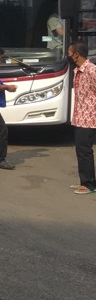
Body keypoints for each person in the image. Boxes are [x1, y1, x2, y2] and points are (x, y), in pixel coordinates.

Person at [68, 42, 96, 195]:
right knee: (81, 150)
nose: (69, 56)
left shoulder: (91, 69)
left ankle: (90, 185)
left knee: (85, 151)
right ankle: (84, 181)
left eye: (70, 53)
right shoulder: (78, 70)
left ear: (76, 54)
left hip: (89, 117)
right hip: (79, 116)